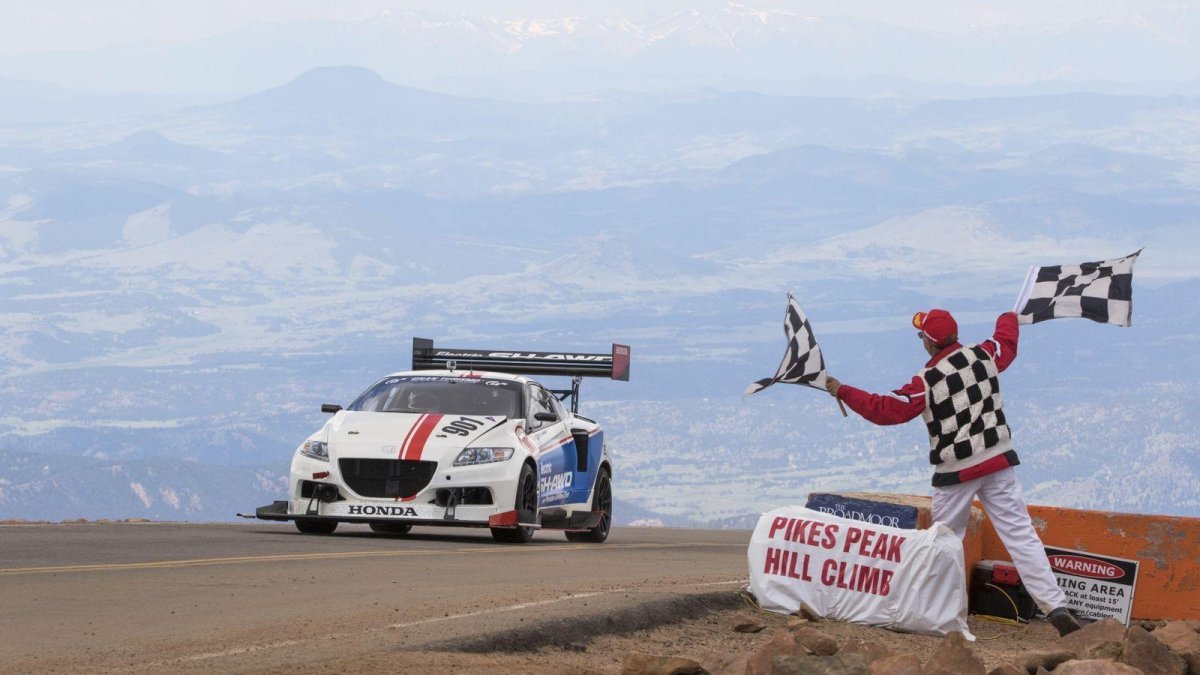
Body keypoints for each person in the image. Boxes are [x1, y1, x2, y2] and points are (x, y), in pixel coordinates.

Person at [824, 308, 1081, 637]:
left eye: (921, 337)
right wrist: (1008, 315)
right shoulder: (983, 355)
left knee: (944, 545)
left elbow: (886, 409)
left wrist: (843, 390)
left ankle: (939, 616)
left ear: (929, 344)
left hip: (956, 473)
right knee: (1021, 536)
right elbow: (1006, 342)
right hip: (998, 461)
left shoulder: (927, 381)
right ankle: (1055, 606)